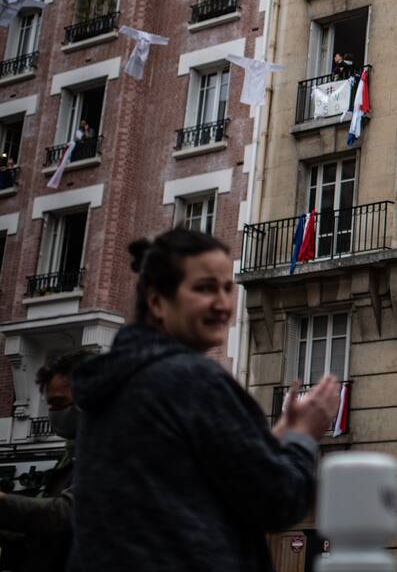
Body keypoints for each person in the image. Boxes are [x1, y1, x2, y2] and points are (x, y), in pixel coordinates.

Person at [68, 229, 341, 572]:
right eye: (204, 288)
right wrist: (303, 436)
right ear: (157, 301)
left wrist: (282, 433)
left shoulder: (119, 378)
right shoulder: (191, 379)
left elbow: (203, 481)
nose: (223, 304)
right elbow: (277, 501)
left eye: (227, 288)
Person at [0, 351, 91, 572]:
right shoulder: (73, 455)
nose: (53, 413)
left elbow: (68, 514)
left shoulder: (113, 451)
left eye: (60, 402)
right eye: (50, 405)